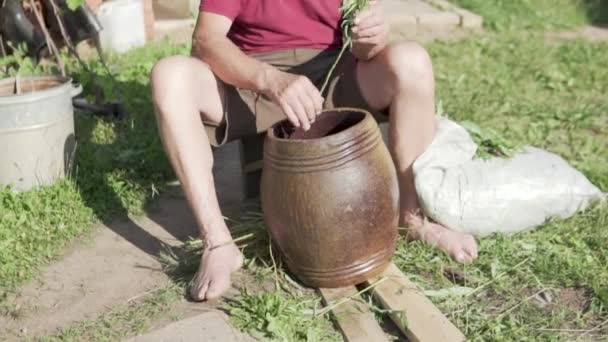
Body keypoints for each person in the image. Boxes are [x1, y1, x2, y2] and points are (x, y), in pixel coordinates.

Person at [150, 0, 478, 302]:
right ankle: (219, 244)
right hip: (251, 78)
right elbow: (206, 40)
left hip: (334, 70)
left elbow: (366, 50)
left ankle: (412, 216)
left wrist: (370, 36)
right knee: (170, 75)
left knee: (411, 60)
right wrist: (271, 80)